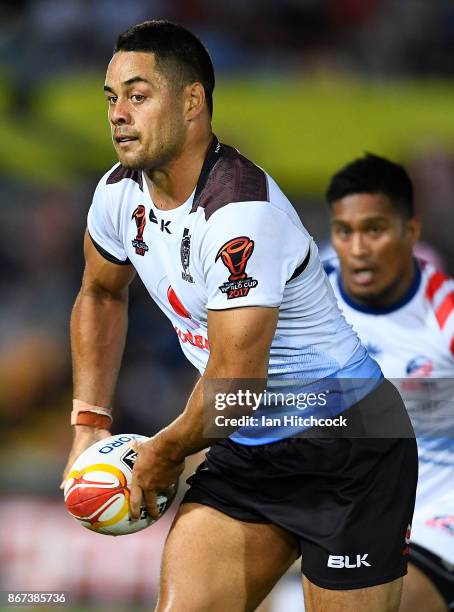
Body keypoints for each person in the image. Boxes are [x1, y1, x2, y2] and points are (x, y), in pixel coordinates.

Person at [62, 21, 417, 611]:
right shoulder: (116, 195)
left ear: (192, 102)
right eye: (111, 98)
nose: (118, 114)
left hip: (350, 451)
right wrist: (89, 422)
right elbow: (100, 294)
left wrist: (164, 451)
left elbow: (236, 387)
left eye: (138, 96)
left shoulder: (239, 215)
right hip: (248, 450)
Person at [325, 153, 454, 612]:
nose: (358, 248)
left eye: (374, 230)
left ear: (410, 233)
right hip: (328, 512)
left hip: (432, 521)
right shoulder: (304, 299)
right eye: (346, 232)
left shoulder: (445, 315)